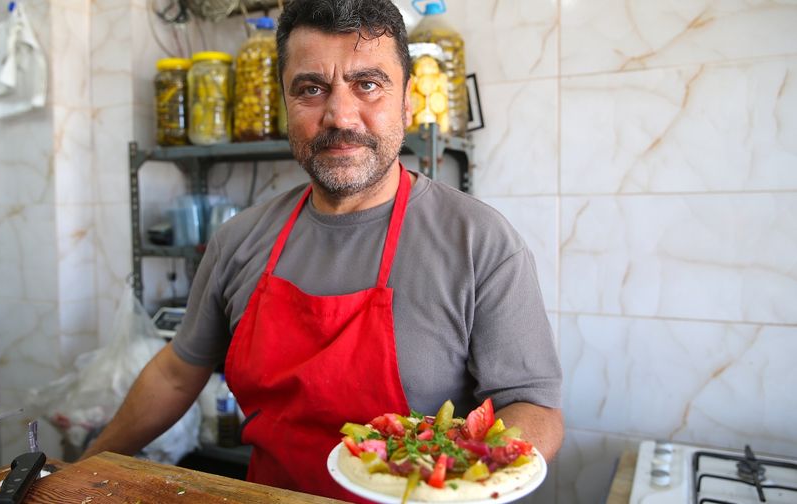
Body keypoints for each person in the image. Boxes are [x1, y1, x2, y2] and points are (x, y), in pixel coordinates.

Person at [83, 0, 563, 500]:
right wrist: (81, 466)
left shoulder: (479, 242)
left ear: (408, 103)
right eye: (311, 89)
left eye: (368, 84)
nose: (339, 115)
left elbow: (534, 408)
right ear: (285, 105)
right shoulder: (239, 240)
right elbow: (177, 373)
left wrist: (456, 478)